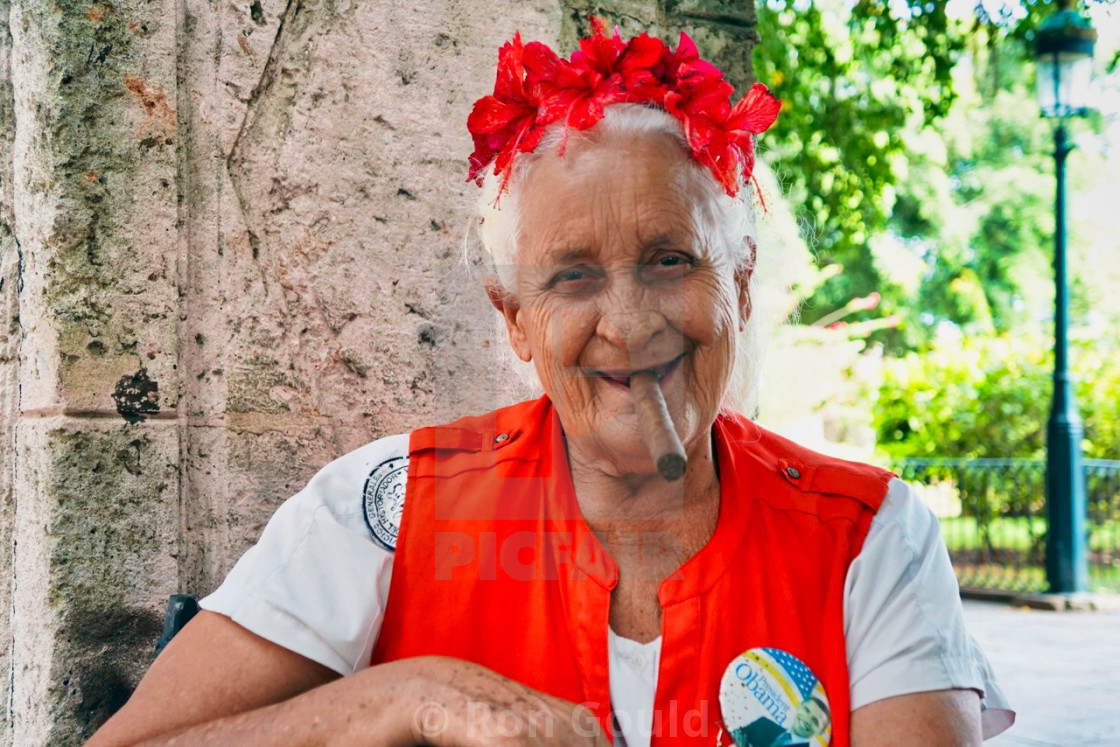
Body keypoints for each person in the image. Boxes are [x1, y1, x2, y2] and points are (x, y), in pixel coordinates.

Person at [89, 21, 1014, 747]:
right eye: (573, 275)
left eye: (669, 259)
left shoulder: (872, 538)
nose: (631, 321)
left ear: (736, 284)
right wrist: (409, 694)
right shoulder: (387, 510)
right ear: (515, 319)